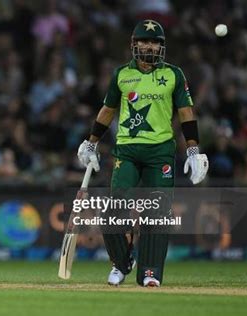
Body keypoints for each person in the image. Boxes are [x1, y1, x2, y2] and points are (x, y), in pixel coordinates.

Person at [77, 20, 208, 287]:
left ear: (161, 46)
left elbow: (186, 114)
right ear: (134, 45)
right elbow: (107, 111)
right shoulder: (121, 75)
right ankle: (121, 263)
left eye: (155, 42)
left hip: (160, 152)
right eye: (144, 42)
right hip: (127, 150)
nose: (150, 46)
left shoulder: (174, 74)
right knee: (114, 210)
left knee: (157, 212)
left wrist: (193, 150)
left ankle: (150, 272)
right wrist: (91, 143)